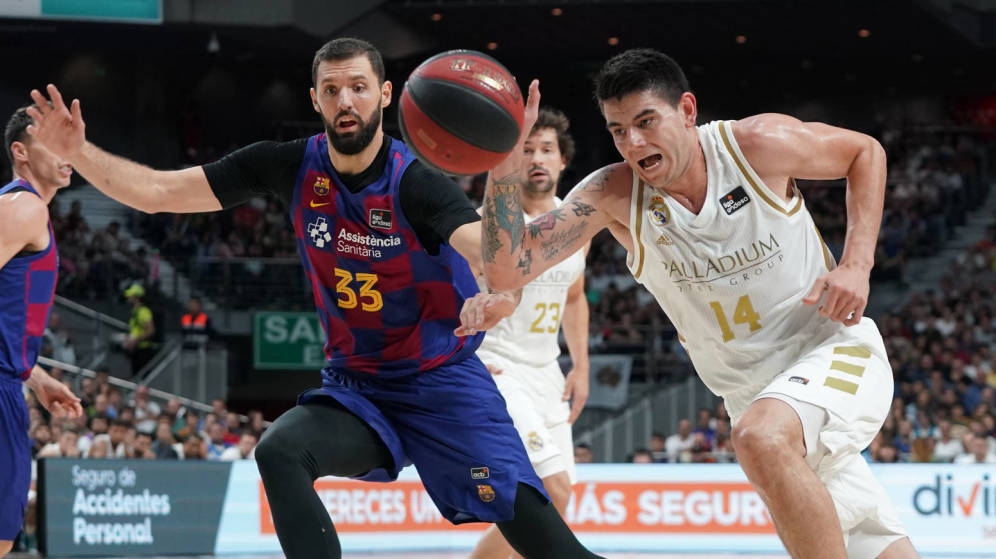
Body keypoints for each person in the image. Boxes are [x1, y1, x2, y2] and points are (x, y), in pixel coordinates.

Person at [26, 37, 602, 559]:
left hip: (441, 383)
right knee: (279, 451)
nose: (345, 100)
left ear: (385, 95)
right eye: (331, 89)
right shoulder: (288, 164)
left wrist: (503, 175)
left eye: (358, 87)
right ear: (315, 99)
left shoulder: (416, 183)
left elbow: (497, 259)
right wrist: (80, 151)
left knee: (550, 546)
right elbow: (158, 191)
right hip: (360, 385)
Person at [477, 49, 918, 558]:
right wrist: (504, 159)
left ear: (687, 110)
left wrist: (857, 264)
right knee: (870, 540)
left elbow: (865, 153)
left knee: (761, 439)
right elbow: (506, 269)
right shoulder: (615, 193)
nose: (633, 143)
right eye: (619, 131)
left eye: (646, 122)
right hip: (753, 395)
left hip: (832, 350)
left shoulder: (754, 145)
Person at [470, 108, 590, 559]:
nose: (537, 158)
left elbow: (575, 297)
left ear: (563, 161)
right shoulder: (484, 223)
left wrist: (581, 366)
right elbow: (445, 298)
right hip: (499, 366)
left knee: (558, 505)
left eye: (546, 149)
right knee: (551, 489)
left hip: (547, 371)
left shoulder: (577, 223)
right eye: (527, 149)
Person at [1, 105, 83, 557]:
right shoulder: (24, 208)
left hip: (11, 379)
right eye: (53, 144)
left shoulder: (27, 210)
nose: (67, 154)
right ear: (21, 152)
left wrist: (33, 375)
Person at [121, 283, 155, 375]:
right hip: (135, 350)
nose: (128, 297)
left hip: (143, 351)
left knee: (143, 377)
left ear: (136, 297)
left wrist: (136, 340)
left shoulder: (144, 312)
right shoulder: (134, 312)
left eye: (130, 295)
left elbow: (150, 331)